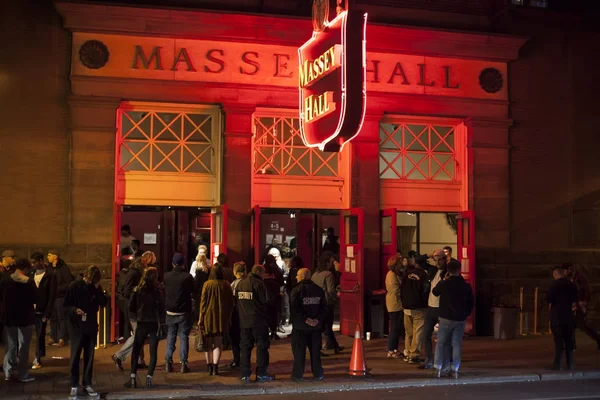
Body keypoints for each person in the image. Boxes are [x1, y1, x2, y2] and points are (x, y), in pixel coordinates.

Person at [64, 265, 107, 399]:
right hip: (77, 326)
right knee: (75, 356)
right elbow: (65, 305)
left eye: (93, 282)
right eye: (89, 281)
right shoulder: (74, 286)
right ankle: (74, 384)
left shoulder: (95, 287)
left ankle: (87, 383)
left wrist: (98, 290)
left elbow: (104, 303)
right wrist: (74, 310)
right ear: (85, 276)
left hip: (91, 325)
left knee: (90, 356)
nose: (90, 283)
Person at [431, 260, 474, 379]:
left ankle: (437, 368)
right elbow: (471, 303)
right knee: (456, 344)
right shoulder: (466, 286)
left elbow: (435, 292)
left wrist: (443, 280)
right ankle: (455, 369)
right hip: (460, 319)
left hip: (445, 317)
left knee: (441, 343)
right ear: (459, 270)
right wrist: (465, 314)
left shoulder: (444, 284)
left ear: (448, 271)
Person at [125, 267, 165, 389]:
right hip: (153, 323)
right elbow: (162, 308)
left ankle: (132, 378)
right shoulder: (157, 291)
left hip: (141, 322)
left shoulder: (138, 290)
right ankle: (149, 379)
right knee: (153, 352)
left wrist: (138, 312)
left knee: (136, 350)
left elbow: (131, 307)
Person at [235, 264, 274, 382]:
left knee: (245, 348)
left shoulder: (240, 283)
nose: (264, 276)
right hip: (259, 321)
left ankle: (244, 374)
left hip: (244, 321)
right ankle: (261, 373)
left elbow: (237, 301)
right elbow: (265, 301)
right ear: (258, 272)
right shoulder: (259, 284)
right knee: (262, 347)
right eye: (263, 273)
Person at [0, 258, 36, 382]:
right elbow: (35, 298)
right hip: (25, 317)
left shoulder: (5, 279)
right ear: (25, 269)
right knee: (24, 347)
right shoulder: (29, 281)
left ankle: (8, 373)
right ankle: (23, 374)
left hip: (9, 317)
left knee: (10, 346)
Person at [290, 268, 327, 381]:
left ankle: (298, 375)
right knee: (315, 352)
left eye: (297, 275)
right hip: (315, 328)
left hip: (300, 327)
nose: (296, 277)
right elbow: (324, 308)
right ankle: (318, 373)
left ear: (302, 276)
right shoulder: (319, 290)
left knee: (299, 353)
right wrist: (317, 320)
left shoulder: (297, 290)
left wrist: (306, 319)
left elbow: (294, 309)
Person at [200, 263, 234, 376]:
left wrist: (200, 318)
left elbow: (203, 303)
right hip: (221, 317)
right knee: (218, 343)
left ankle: (209, 367)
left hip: (208, 316)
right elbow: (231, 303)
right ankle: (215, 367)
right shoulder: (226, 285)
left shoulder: (207, 284)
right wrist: (229, 318)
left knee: (208, 343)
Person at [164, 252, 195, 374]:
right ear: (183, 264)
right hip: (183, 311)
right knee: (183, 337)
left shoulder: (166, 276)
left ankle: (168, 362)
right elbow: (192, 290)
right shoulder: (187, 277)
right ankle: (183, 364)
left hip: (170, 310)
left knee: (171, 336)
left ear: (172, 263)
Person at [112, 258, 145, 371]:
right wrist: (138, 291)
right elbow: (127, 291)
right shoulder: (133, 274)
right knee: (138, 334)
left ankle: (140, 359)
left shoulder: (135, 273)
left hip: (135, 310)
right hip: (134, 310)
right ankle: (119, 355)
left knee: (139, 334)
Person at [419, 249, 449, 369]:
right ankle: (429, 360)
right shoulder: (432, 270)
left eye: (440, 259)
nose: (437, 261)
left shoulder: (447, 271)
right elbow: (419, 260)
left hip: (442, 308)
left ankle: (442, 360)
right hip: (431, 307)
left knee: (443, 337)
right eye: (436, 259)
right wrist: (430, 255)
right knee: (426, 335)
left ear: (445, 259)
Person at [29, 252, 57, 370]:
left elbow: (52, 295)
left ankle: (38, 357)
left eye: (34, 262)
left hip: (42, 310)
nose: (33, 265)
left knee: (40, 334)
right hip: (30, 309)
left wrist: (47, 313)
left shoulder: (50, 275)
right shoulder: (31, 274)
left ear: (41, 261)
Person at [547, 266, 578, 370]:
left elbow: (549, 299)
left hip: (557, 316)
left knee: (558, 341)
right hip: (568, 316)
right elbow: (575, 299)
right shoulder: (571, 285)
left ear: (555, 274)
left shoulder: (554, 285)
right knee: (569, 340)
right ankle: (570, 364)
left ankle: (557, 364)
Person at [564, 263, 600, 350]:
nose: (564, 273)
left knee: (583, 325)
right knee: (570, 325)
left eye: (565, 271)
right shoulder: (571, 278)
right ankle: (572, 345)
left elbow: (587, 290)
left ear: (569, 269)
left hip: (579, 305)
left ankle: (599, 339)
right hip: (574, 305)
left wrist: (584, 302)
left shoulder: (580, 277)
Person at [400, 255, 429, 364]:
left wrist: (403, 302)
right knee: (418, 331)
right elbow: (425, 290)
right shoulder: (424, 275)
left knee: (409, 331)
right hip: (419, 306)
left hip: (406, 306)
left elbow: (401, 288)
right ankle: (414, 354)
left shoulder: (407, 274)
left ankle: (407, 352)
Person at [312, 255, 343, 354]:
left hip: (317, 302)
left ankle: (334, 345)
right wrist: (336, 297)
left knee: (325, 325)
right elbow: (331, 290)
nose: (334, 264)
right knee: (328, 325)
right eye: (332, 262)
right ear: (327, 262)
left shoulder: (315, 274)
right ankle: (330, 345)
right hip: (327, 302)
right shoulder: (328, 274)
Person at [48, 249, 74, 348]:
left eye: (50, 255)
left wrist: (57, 289)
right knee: (53, 317)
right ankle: (53, 336)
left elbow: (68, 282)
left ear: (55, 256)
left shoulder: (63, 268)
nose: (48, 257)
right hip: (51, 297)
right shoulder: (49, 268)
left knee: (62, 317)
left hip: (60, 296)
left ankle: (62, 338)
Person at [226, 262, 247, 370]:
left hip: (235, 314)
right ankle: (244, 360)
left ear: (235, 272)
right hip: (246, 315)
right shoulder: (248, 283)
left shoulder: (233, 284)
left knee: (234, 339)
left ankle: (236, 360)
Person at [385, 254, 404, 359]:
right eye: (400, 262)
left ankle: (394, 348)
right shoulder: (391, 275)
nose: (401, 264)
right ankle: (391, 349)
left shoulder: (396, 274)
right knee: (394, 328)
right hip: (394, 304)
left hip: (395, 303)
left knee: (396, 327)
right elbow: (395, 290)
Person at [192, 253, 210, 324]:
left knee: (198, 307)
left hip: (199, 292)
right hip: (206, 290)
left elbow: (196, 283)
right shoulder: (208, 269)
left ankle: (198, 321)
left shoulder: (198, 270)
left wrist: (193, 293)